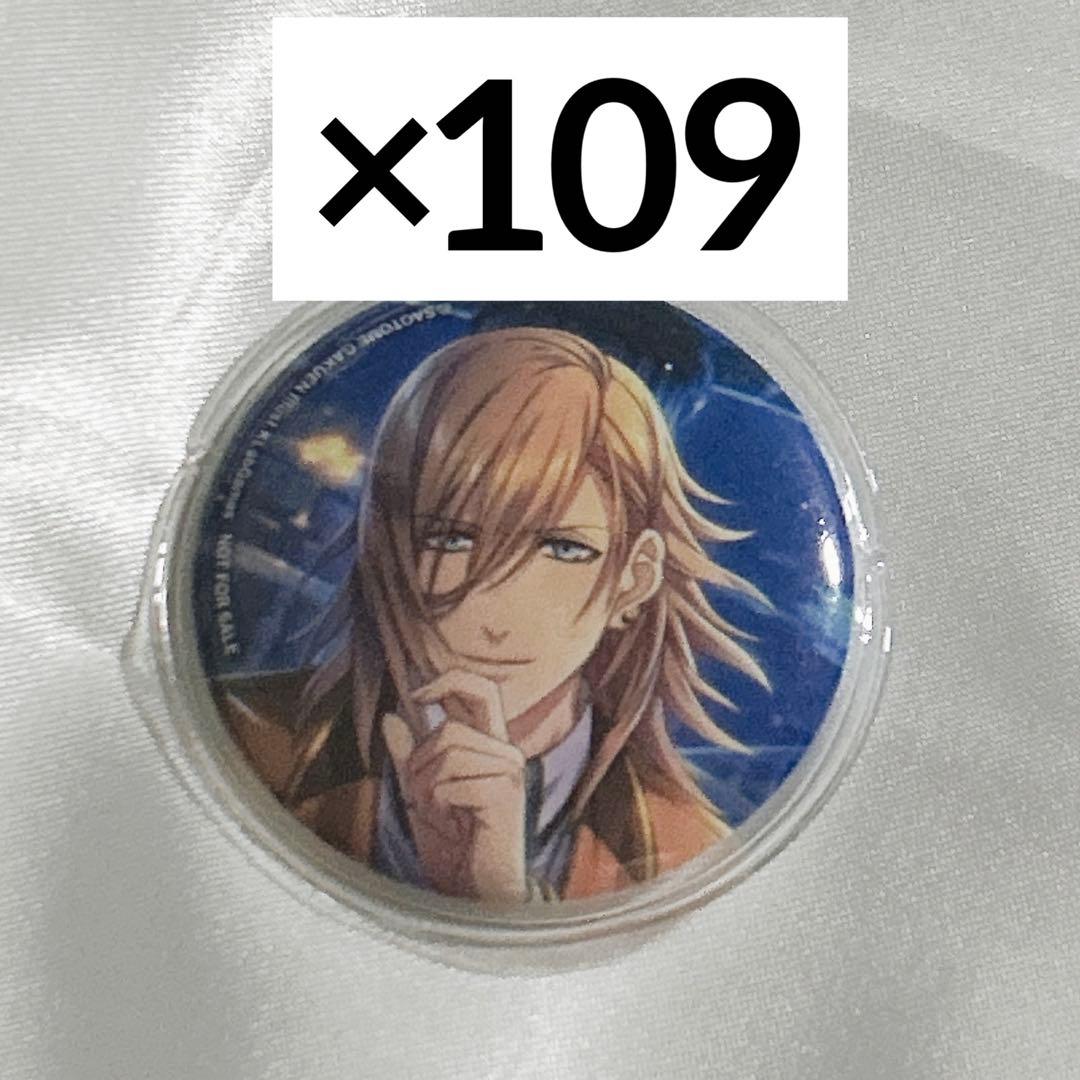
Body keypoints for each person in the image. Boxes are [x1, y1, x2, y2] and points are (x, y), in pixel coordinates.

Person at [216, 327, 769, 904]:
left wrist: (503, 899)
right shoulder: (247, 741)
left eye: (564, 548)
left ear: (634, 578)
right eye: (451, 538)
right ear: (385, 543)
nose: (496, 612)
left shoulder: (688, 850)